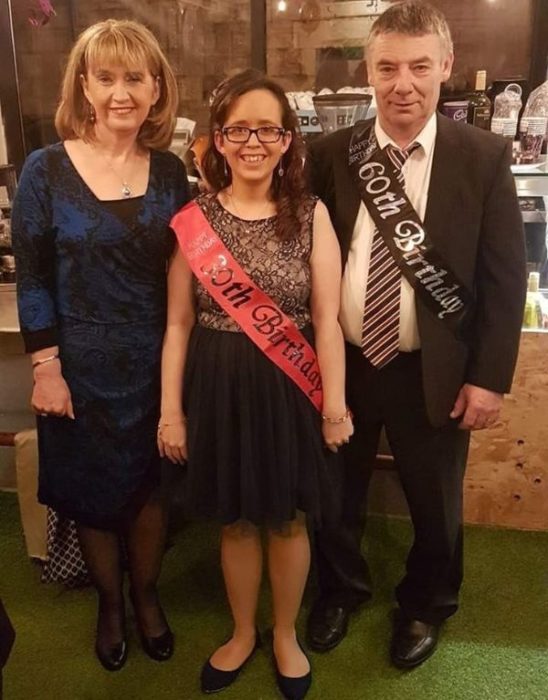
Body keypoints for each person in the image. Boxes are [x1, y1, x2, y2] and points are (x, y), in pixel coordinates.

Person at [305, 0, 526, 669]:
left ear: (446, 66)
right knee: (334, 491)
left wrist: (488, 378)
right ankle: (339, 590)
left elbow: (504, 279)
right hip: (343, 361)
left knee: (435, 502)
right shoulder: (331, 154)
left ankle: (427, 603)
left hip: (433, 366)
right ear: (368, 72)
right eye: (388, 67)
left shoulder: (482, 157)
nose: (403, 84)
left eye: (420, 67)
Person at [158, 69, 352, 699]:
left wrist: (335, 406)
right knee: (237, 521)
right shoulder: (193, 221)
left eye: (268, 129)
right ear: (218, 138)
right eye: (238, 129)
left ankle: (286, 634)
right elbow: (178, 325)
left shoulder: (312, 215)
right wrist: (170, 412)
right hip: (217, 386)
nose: (253, 142)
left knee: (288, 520)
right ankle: (243, 632)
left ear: (288, 140)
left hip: (290, 389)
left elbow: (326, 319)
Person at [12, 19, 190, 671]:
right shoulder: (44, 170)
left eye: (135, 78)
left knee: (149, 490)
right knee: (91, 494)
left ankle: (146, 597)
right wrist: (46, 367)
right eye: (106, 78)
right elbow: (33, 277)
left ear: (155, 89)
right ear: (83, 86)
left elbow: (183, 274)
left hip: (154, 364)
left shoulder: (170, 173)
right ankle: (110, 604)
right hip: (77, 370)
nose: (121, 93)